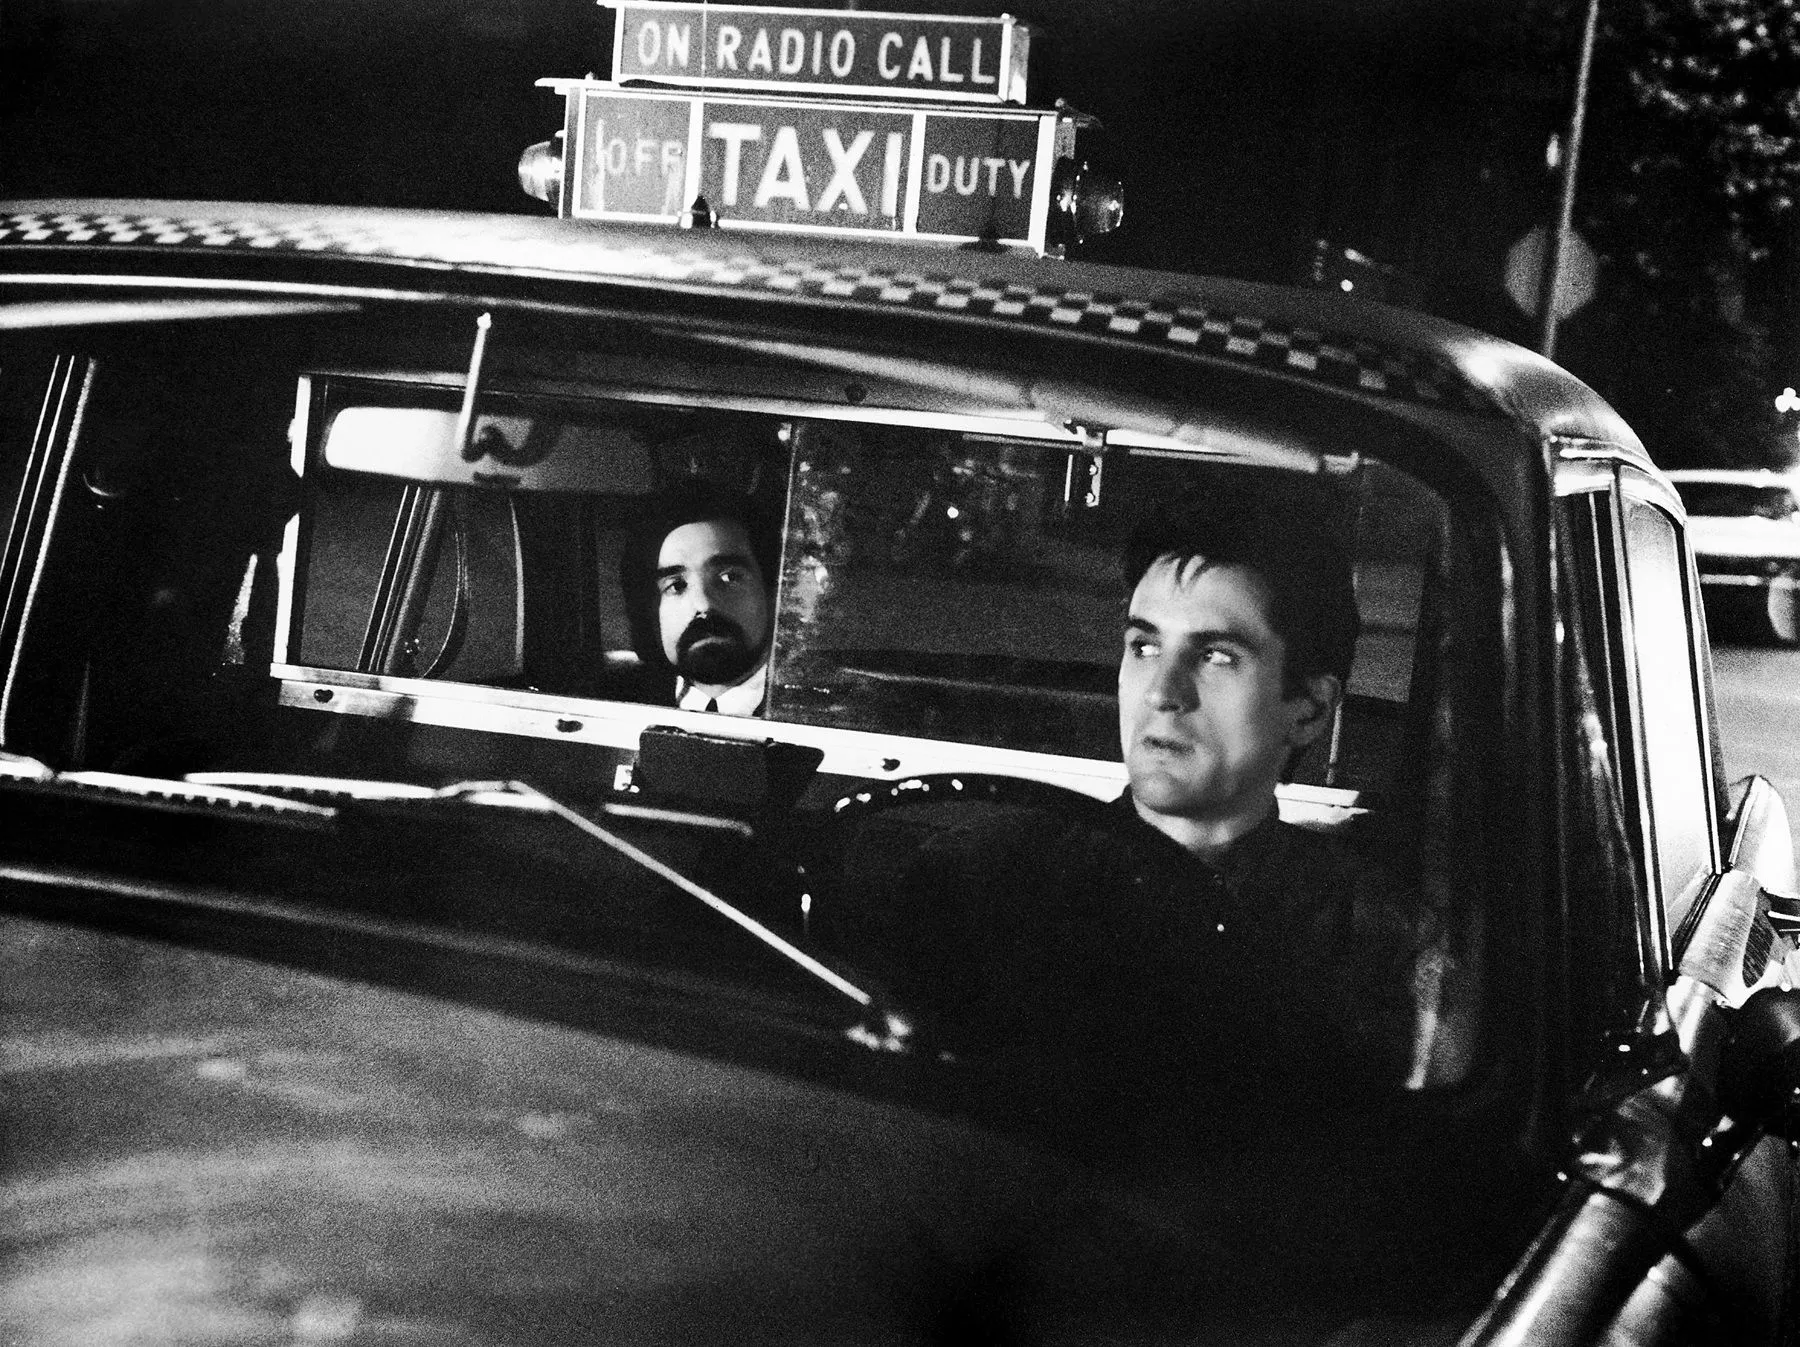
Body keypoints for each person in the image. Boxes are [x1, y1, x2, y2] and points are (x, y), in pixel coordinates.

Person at [824, 479, 1447, 1153]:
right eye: (1144, 647)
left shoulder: (1373, 942)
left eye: (1216, 656)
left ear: (1309, 709)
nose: (1162, 692)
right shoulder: (980, 876)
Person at [620, 479, 779, 715]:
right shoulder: (619, 705)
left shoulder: (819, 710)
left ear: (771, 591)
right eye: (676, 586)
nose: (704, 604)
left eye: (729, 578)